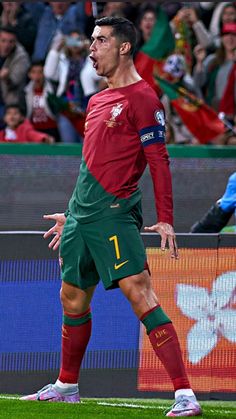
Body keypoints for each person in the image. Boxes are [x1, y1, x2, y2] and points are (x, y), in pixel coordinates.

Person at [21, 17, 202, 417]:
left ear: (123, 47)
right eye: (91, 40)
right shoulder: (96, 99)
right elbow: (89, 164)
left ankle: (185, 395)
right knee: (71, 297)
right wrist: (72, 213)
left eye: (100, 40)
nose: (91, 48)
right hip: (81, 217)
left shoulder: (144, 99)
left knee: (139, 292)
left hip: (115, 213)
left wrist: (166, 217)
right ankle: (67, 385)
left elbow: (159, 161)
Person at [0, 25, 30, 128]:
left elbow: (14, 83)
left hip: (11, 101)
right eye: (3, 41)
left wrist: (6, 78)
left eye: (11, 42)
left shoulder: (21, 57)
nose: (6, 45)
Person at [25, 61, 60, 142]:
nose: (37, 76)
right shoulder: (25, 91)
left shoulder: (53, 90)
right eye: (34, 72)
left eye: (40, 72)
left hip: (51, 128)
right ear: (29, 75)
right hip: (33, 129)